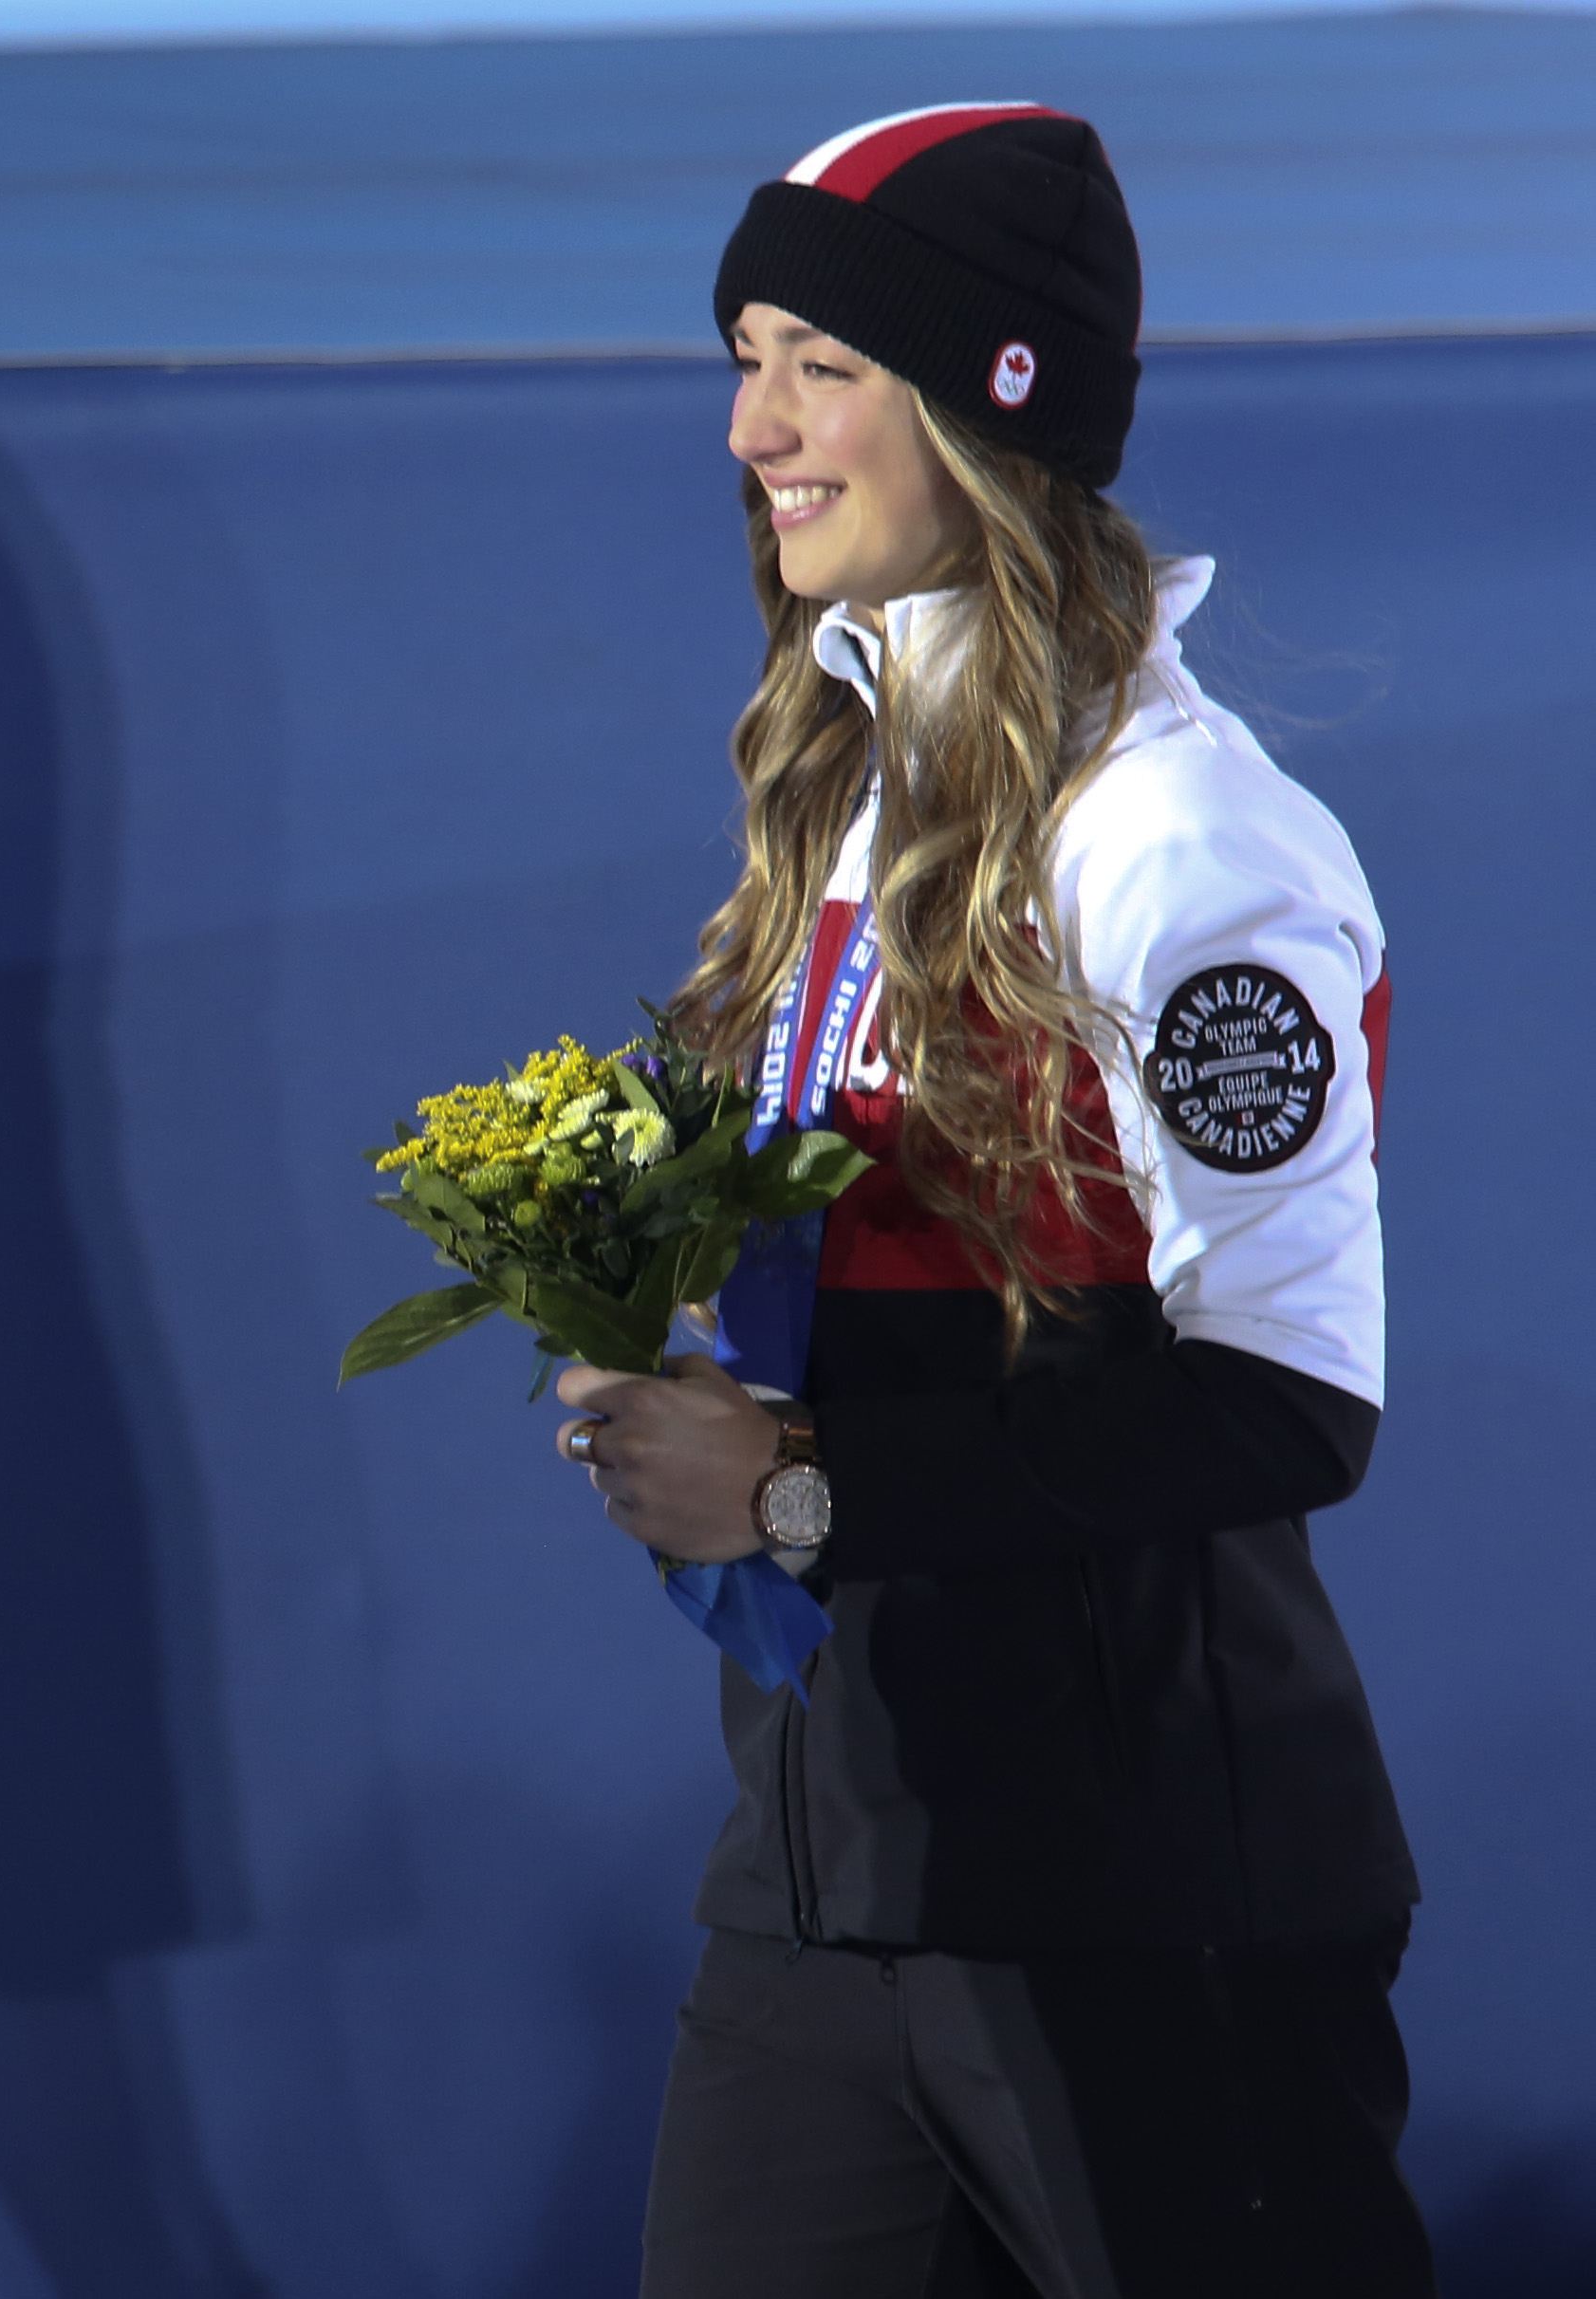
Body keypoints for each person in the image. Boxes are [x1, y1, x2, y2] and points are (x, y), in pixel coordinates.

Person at [550, 110, 1432, 2296]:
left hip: (1145, 1886)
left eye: (816, 363)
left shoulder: (1183, 845)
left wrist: (797, 1491)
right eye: (741, 353)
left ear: (986, 399)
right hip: (830, 1863)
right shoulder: (843, 785)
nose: (751, 425)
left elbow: (1287, 1405)